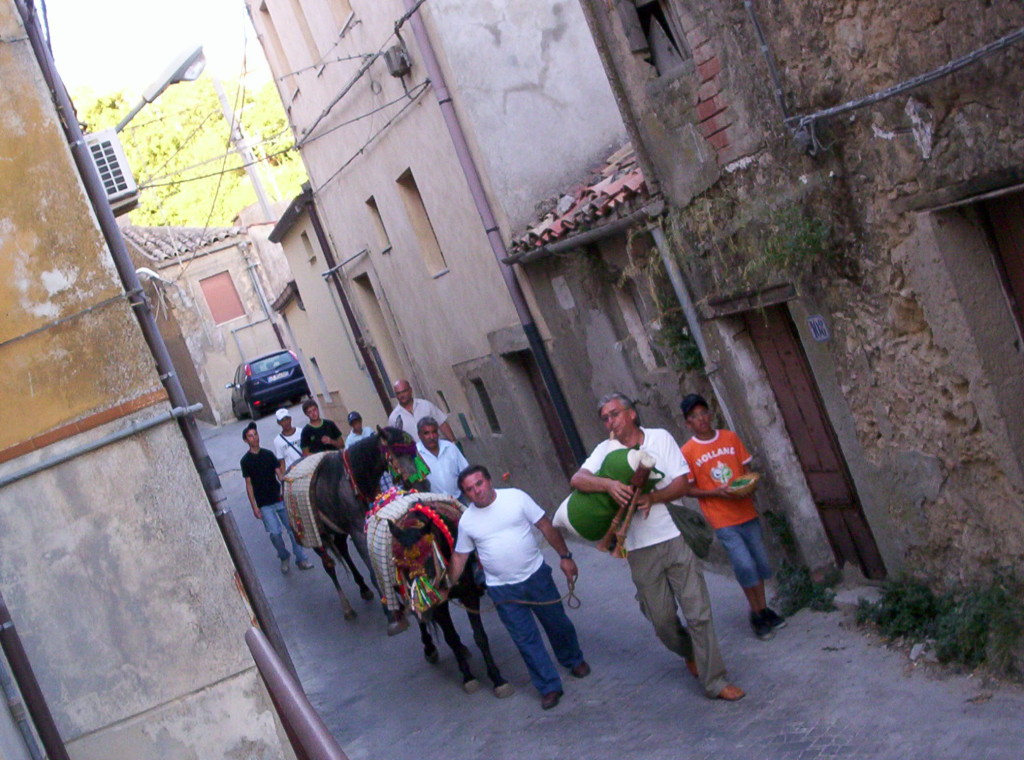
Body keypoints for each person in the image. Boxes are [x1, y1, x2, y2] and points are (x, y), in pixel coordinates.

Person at [569, 392, 744, 701]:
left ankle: (714, 679)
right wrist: (608, 484)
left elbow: (681, 484)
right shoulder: (605, 450)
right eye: (606, 418)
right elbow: (578, 479)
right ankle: (690, 651)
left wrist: (653, 497)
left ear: (632, 414)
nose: (611, 421)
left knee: (698, 613)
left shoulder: (659, 439)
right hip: (638, 547)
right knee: (661, 620)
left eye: (615, 414)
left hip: (674, 537)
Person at [448, 465, 589, 711]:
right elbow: (460, 557)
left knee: (557, 623)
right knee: (525, 639)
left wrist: (565, 557)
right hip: (503, 590)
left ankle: (572, 659)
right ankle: (548, 686)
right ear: (465, 494)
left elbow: (545, 525)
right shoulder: (467, 521)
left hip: (536, 577)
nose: (476, 491)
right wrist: (446, 585)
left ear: (489, 481)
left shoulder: (516, 497)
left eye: (479, 484)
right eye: (469, 489)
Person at [680, 393, 785, 640]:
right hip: (723, 519)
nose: (701, 419)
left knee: (759, 563)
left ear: (710, 414)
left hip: (746, 511)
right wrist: (715, 492)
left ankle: (763, 609)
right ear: (688, 424)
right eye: (694, 417)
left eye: (703, 413)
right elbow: (688, 488)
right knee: (744, 565)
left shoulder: (729, 437)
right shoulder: (689, 451)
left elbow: (745, 470)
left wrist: (746, 484)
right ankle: (757, 613)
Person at [239, 422, 314, 573]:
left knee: (293, 530)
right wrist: (254, 507)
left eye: (255, 435)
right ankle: (283, 556)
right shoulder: (245, 461)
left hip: (279, 499)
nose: (255, 438)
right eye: (250, 436)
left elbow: (280, 475)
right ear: (246, 440)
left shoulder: (268, 454)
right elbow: (249, 485)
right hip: (264, 504)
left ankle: (301, 559)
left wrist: (289, 485)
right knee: (275, 535)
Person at [416, 417, 469, 501]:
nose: (431, 437)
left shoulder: (450, 447)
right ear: (419, 435)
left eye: (434, 432)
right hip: (433, 503)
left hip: (458, 498)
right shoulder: (416, 454)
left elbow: (465, 471)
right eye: (426, 433)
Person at [388, 379, 455, 444]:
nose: (402, 395)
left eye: (404, 391)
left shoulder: (425, 405)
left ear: (410, 390)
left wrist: (454, 443)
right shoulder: (394, 418)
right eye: (398, 393)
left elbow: (442, 424)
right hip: (416, 454)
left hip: (438, 449)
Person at [274, 408, 304, 479]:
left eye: (287, 419)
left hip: (305, 467)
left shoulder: (301, 432)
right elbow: (281, 461)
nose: (286, 422)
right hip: (292, 473)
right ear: (279, 423)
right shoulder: (277, 441)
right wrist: (284, 477)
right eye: (282, 421)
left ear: (290, 419)